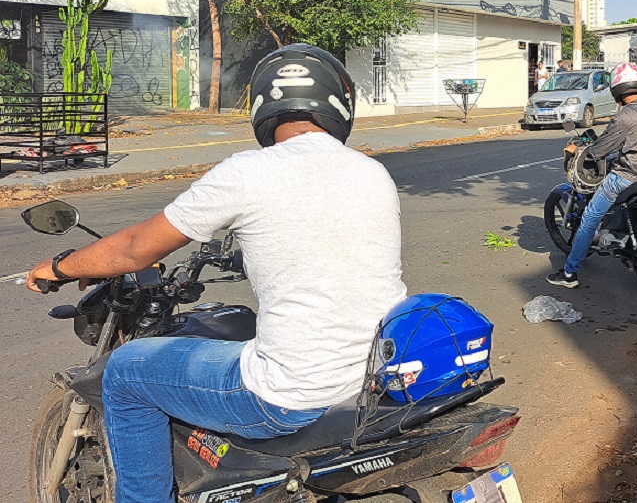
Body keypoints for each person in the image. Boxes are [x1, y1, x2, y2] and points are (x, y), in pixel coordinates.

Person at [26, 44, 407, 503]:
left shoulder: (247, 172)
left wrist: (61, 266)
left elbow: (133, 249)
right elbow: (322, 247)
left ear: (265, 103)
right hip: (369, 377)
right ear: (339, 103)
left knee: (126, 371)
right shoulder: (371, 172)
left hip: (292, 396)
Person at [548, 62, 637, 288]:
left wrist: (580, 151)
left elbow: (599, 150)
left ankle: (569, 274)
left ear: (617, 91)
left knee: (589, 219)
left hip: (628, 176)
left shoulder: (625, 117)